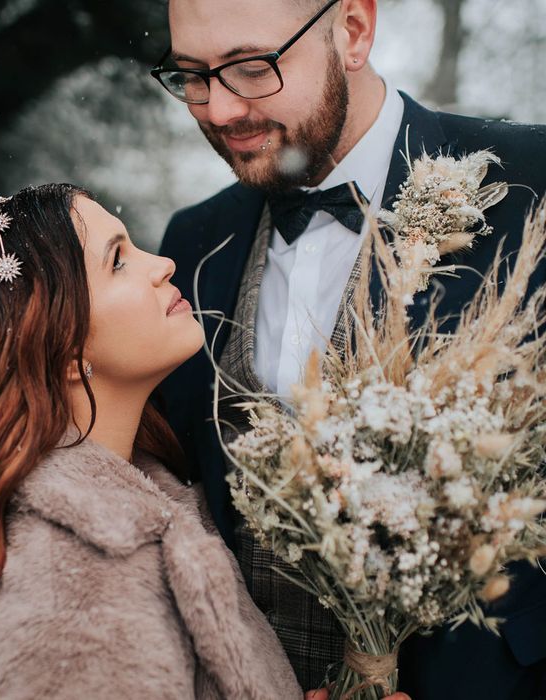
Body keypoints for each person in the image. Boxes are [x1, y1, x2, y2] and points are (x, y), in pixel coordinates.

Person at [152, 0, 546, 698]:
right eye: (190, 75)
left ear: (354, 32)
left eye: (250, 67)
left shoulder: (529, 183)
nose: (215, 110)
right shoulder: (193, 241)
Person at [0, 183, 307, 700]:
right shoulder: (69, 600)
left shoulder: (146, 502)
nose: (163, 265)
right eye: (117, 262)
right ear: (62, 350)